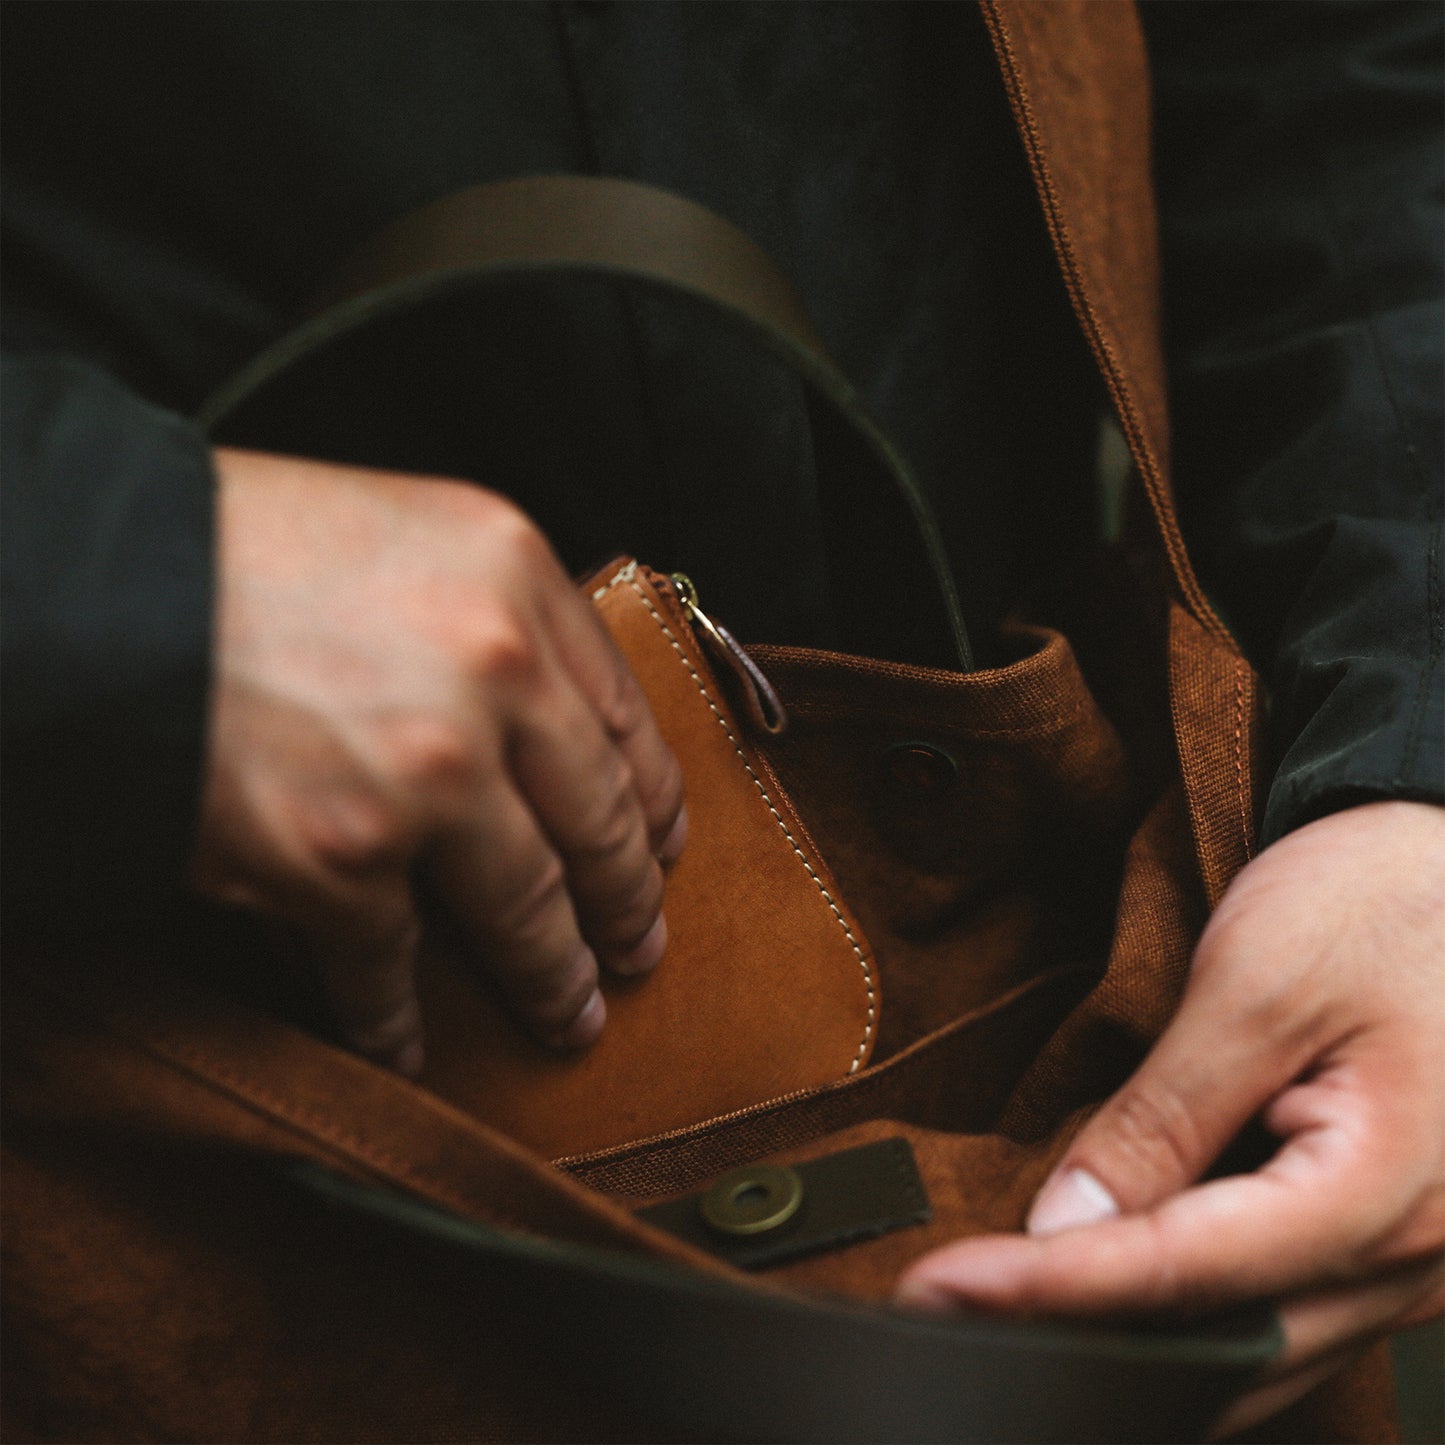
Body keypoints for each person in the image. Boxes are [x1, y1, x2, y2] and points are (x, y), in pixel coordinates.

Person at [3, 2, 1440, 1436]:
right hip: (148, 1085)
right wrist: (106, 569)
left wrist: (1410, 756)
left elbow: (1323, 56)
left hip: (1079, 1030)